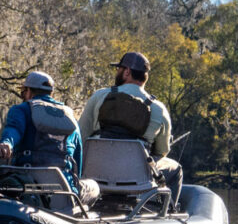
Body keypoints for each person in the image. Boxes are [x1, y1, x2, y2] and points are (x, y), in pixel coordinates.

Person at [78, 51, 183, 210]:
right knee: (176, 169)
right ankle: (165, 212)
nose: (117, 72)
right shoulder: (159, 109)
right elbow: (162, 151)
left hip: (95, 175)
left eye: (119, 69)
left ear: (127, 72)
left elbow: (80, 137)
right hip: (137, 181)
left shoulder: (99, 96)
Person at [0, 71, 99, 207]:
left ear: (28, 92)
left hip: (27, 189)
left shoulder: (20, 110)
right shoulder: (70, 118)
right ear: (51, 93)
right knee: (94, 187)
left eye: (23, 92)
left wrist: (6, 143)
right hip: (65, 193)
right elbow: (77, 164)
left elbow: (13, 130)